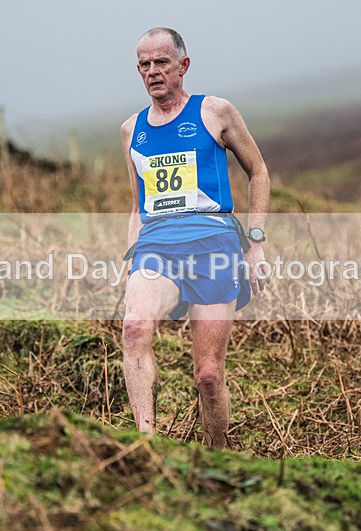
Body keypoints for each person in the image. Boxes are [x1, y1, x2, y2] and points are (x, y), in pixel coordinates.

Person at [121, 27, 270, 449]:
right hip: (157, 246)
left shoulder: (216, 112)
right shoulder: (131, 130)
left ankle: (217, 454)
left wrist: (255, 244)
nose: (153, 72)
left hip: (214, 246)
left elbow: (258, 172)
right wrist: (132, 255)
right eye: (144, 65)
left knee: (207, 375)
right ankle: (146, 447)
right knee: (134, 326)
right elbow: (138, 205)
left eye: (161, 63)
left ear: (183, 66)